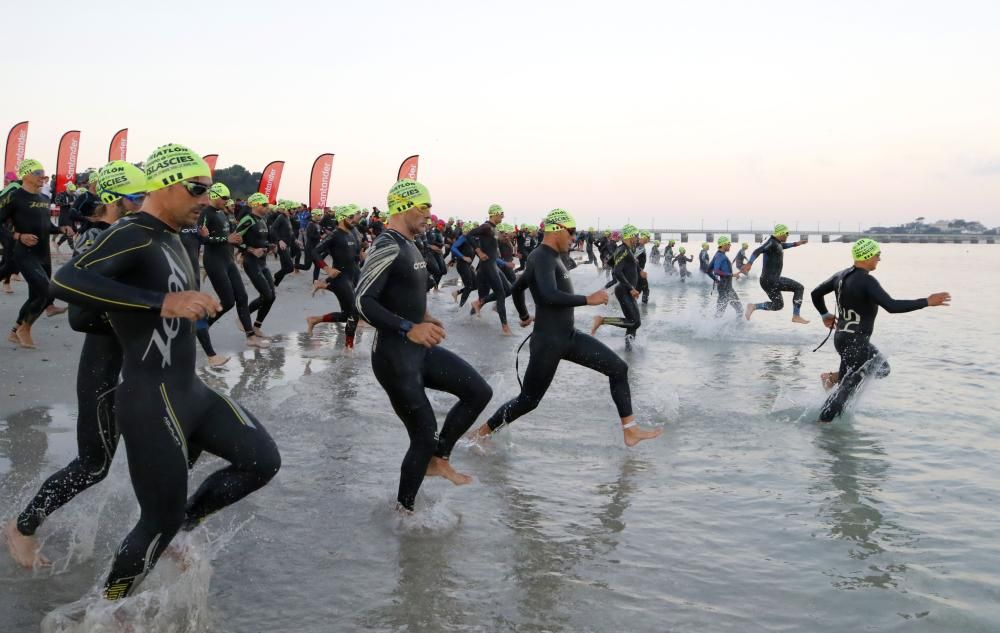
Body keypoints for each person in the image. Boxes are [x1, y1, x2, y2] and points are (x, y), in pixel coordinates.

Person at [46, 144, 280, 600]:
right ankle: (108, 607)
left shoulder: (174, 235)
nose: (207, 200)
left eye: (208, 191)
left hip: (189, 388)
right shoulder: (132, 231)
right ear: (165, 185)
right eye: (198, 189)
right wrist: (160, 304)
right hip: (149, 396)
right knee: (158, 519)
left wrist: (173, 310)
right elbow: (66, 282)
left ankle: (184, 528)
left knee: (261, 460)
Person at [3, 160, 145, 568]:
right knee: (93, 465)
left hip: (134, 368)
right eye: (138, 199)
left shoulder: (131, 236)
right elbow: (80, 315)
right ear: (117, 200)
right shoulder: (102, 239)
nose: (145, 206)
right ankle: (22, 526)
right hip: (103, 367)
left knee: (165, 446)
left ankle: (168, 534)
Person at [355, 179, 492, 513]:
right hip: (393, 357)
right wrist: (407, 327)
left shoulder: (410, 243)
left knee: (478, 392)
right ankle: (404, 512)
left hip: (416, 348)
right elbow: (362, 301)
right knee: (424, 432)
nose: (431, 214)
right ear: (403, 206)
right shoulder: (387, 245)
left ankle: (438, 459)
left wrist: (423, 315)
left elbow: (401, 292)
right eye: (425, 206)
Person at [474, 210, 662, 446]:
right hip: (548, 342)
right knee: (529, 401)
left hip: (569, 336)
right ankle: (482, 433)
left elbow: (518, 287)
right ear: (556, 229)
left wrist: (523, 315)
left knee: (618, 369)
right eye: (571, 232)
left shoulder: (553, 257)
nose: (574, 238)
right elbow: (549, 295)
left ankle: (630, 430)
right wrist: (587, 299)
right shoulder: (541, 257)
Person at [810, 239, 950, 423]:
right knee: (847, 390)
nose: (879, 259)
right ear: (867, 255)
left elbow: (815, 293)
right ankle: (821, 424)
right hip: (856, 342)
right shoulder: (867, 281)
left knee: (881, 368)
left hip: (842, 338)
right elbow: (891, 306)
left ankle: (832, 378)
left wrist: (824, 314)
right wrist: (926, 302)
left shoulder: (841, 275)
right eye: (877, 255)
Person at [0, 159, 67, 348]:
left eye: (44, 174)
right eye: (38, 173)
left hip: (43, 254)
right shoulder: (15, 197)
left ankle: (15, 331)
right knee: (46, 291)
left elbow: (46, 226)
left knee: (36, 296)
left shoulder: (44, 199)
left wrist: (61, 229)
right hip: (24, 253)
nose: (43, 178)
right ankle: (25, 329)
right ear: (26, 175)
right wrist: (18, 236)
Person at [198, 183, 269, 348]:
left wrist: (243, 245)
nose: (227, 201)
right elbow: (202, 239)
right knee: (228, 302)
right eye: (224, 198)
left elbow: (232, 236)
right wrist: (226, 239)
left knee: (242, 297)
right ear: (214, 196)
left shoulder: (222, 213)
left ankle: (250, 337)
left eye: (228, 198)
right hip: (214, 261)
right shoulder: (205, 213)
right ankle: (203, 327)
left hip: (228, 260)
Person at [306, 204, 362, 346]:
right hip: (340, 278)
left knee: (347, 314)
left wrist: (362, 255)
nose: (354, 220)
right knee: (354, 313)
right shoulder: (334, 235)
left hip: (353, 275)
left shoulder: (352, 232)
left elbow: (355, 254)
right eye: (350, 217)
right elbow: (315, 252)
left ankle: (315, 319)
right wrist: (327, 268)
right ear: (342, 218)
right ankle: (349, 347)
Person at [740, 224, 810, 324]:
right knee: (799, 288)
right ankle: (796, 316)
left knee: (778, 305)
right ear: (781, 233)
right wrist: (749, 263)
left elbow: (783, 246)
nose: (787, 235)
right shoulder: (771, 242)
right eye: (786, 233)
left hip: (767, 281)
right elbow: (758, 250)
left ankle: (753, 306)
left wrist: (796, 244)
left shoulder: (777, 243)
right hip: (770, 280)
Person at [591, 224, 643, 349]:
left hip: (626, 290)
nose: (637, 239)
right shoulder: (624, 250)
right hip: (625, 290)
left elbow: (610, 262)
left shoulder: (624, 249)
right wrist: (631, 288)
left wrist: (634, 265)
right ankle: (602, 320)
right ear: (630, 236)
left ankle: (629, 349)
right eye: (636, 236)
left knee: (633, 323)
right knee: (635, 322)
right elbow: (617, 272)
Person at [468, 204, 513, 335]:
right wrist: (479, 251)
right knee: (500, 294)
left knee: (508, 290)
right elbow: (469, 235)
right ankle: (505, 328)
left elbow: (494, 244)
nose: (503, 216)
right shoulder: (486, 226)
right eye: (501, 214)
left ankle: (478, 304)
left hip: (493, 265)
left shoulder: (494, 229)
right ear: (494, 214)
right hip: (487, 265)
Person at [236, 193, 276, 336]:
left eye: (267, 205)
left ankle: (257, 326)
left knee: (272, 296)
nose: (267, 208)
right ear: (255, 205)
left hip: (263, 263)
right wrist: (251, 250)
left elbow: (262, 240)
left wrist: (270, 246)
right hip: (251, 262)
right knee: (266, 295)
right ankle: (243, 318)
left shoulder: (262, 220)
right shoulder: (248, 219)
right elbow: (235, 239)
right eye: (264, 205)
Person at [710, 235, 742, 317]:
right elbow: (716, 271)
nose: (730, 245)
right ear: (723, 244)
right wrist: (732, 274)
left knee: (720, 313)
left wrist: (717, 281)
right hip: (726, 288)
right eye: (728, 244)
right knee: (739, 310)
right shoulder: (721, 256)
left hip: (724, 287)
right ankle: (738, 328)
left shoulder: (717, 255)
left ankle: (712, 328)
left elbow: (708, 270)